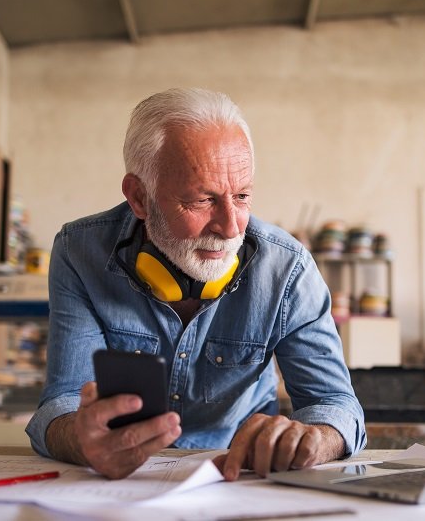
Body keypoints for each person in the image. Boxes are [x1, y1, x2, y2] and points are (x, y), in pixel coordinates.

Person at [26, 88, 366, 481]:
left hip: (240, 478)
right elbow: (63, 402)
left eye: (241, 196)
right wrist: (82, 440)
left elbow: (336, 405)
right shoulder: (79, 253)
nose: (231, 227)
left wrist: (312, 439)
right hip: (122, 483)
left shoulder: (287, 268)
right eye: (202, 201)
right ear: (139, 197)